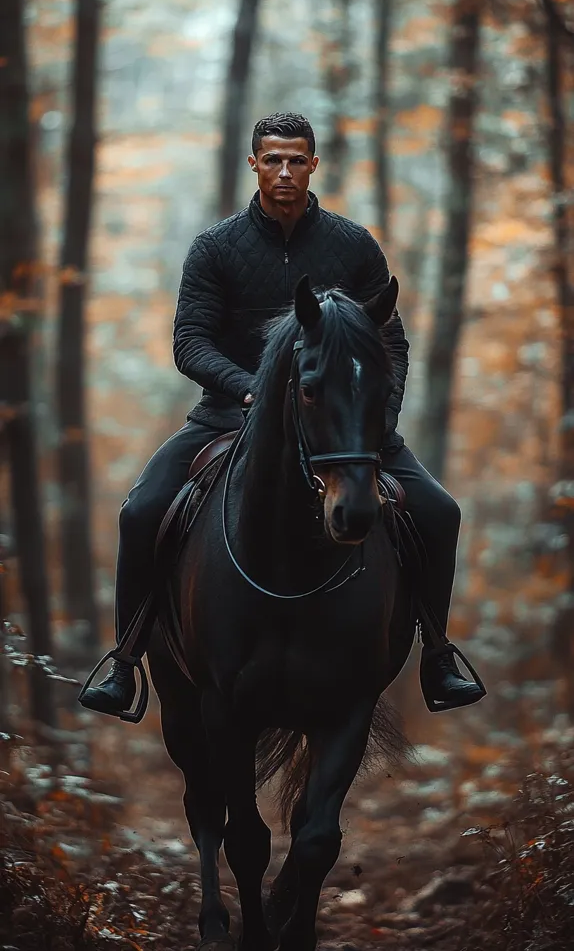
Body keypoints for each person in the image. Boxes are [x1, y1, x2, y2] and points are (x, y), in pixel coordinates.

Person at [80, 111, 484, 718]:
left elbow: (390, 342)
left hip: (342, 425)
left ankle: (437, 653)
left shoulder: (352, 245)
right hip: (229, 414)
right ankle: (126, 657)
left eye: (297, 160)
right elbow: (190, 342)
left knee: (440, 512)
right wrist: (251, 390)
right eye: (273, 160)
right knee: (140, 511)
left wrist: (375, 418)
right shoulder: (216, 248)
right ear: (255, 165)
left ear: (314, 165)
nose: (286, 171)